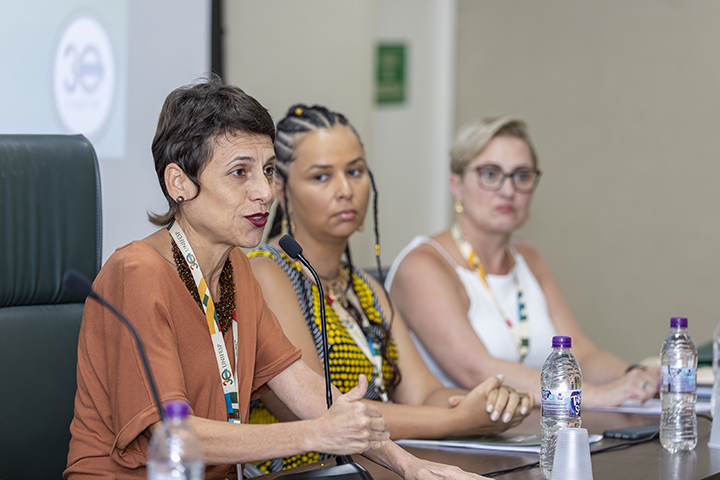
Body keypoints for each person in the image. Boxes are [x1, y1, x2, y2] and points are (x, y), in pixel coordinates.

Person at [63, 77, 490, 480]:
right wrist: (316, 434)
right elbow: (171, 434)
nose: (264, 192)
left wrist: (409, 467)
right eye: (239, 173)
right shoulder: (137, 273)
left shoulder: (236, 272)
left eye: (267, 170)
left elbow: (304, 389)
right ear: (179, 183)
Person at [247, 105, 533, 473]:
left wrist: (488, 402)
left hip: (378, 467)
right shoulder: (266, 272)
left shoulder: (366, 288)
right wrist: (459, 420)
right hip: (302, 473)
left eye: (355, 172)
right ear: (281, 191)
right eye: (321, 177)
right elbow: (318, 410)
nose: (345, 190)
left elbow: (424, 393)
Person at [385, 116, 660, 407]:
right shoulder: (423, 264)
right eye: (490, 174)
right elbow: (475, 369)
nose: (508, 190)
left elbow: (580, 352)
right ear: (456, 185)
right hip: (455, 440)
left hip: (531, 429)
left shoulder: (529, 258)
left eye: (521, 175)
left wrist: (636, 377)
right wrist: (596, 396)